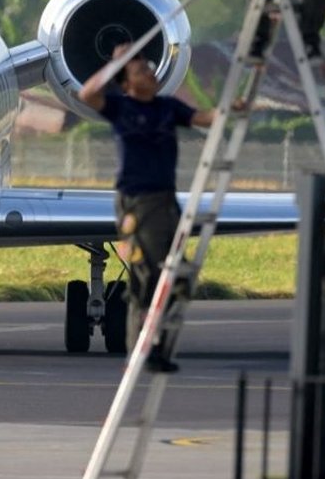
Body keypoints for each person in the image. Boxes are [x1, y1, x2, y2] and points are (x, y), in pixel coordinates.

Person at [78, 44, 223, 370]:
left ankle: (147, 346)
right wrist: (115, 65)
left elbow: (205, 118)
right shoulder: (119, 107)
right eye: (140, 70)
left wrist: (234, 109)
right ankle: (146, 348)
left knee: (158, 278)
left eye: (149, 68)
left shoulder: (168, 108)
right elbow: (87, 95)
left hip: (165, 201)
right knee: (161, 273)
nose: (149, 72)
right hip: (138, 203)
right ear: (126, 82)